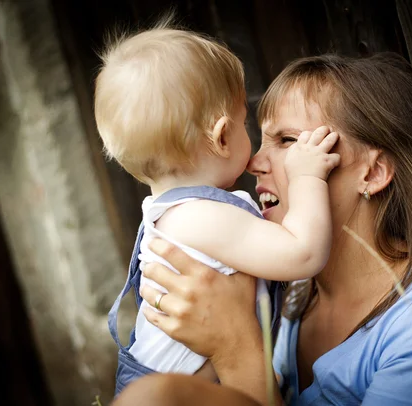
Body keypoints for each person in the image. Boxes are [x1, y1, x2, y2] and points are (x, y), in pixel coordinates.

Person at [135, 52, 412, 406]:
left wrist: (235, 348)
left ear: (372, 172)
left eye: (288, 141)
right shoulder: (292, 297)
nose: (253, 162)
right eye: (263, 139)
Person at [94, 22, 341, 394]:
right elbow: (303, 253)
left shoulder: (172, 214)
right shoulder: (200, 217)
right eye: (245, 123)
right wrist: (306, 175)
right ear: (223, 135)